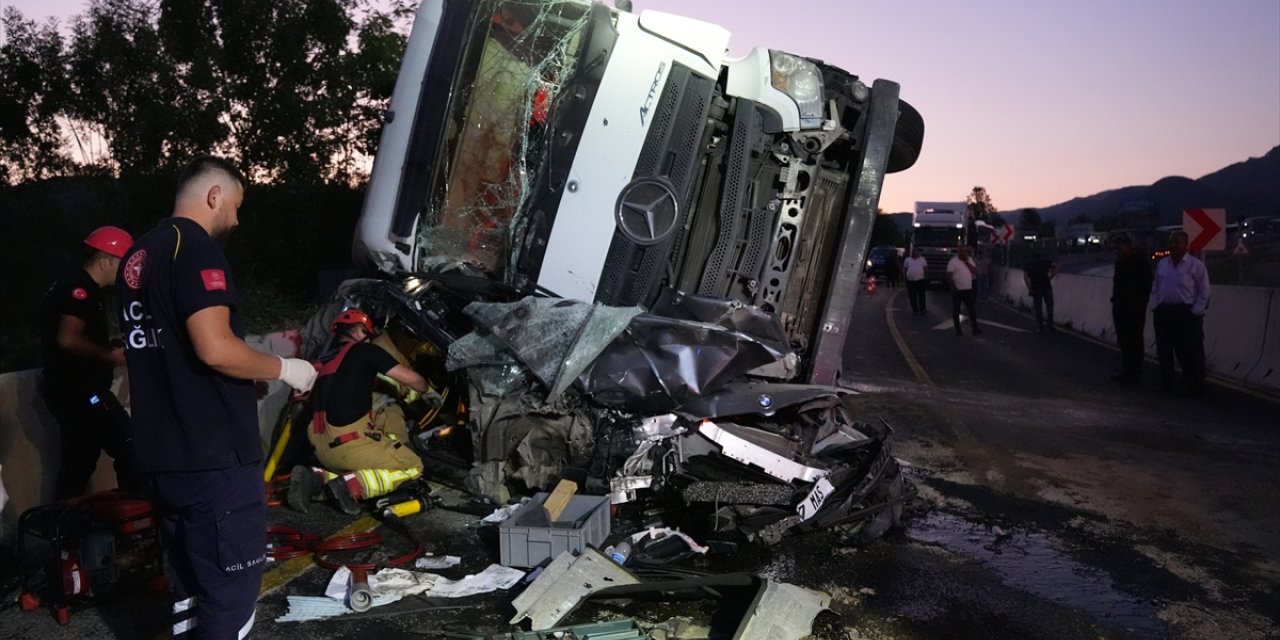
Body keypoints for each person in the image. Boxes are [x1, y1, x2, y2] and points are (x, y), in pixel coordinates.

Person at [117, 156, 318, 639]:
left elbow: (168, 347)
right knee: (230, 599)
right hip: (213, 459)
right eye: (236, 205)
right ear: (214, 196)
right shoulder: (197, 249)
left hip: (162, 457)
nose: (237, 218)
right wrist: (287, 368)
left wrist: (240, 378)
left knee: (188, 591)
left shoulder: (138, 257)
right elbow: (213, 346)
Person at [288, 309, 430, 515]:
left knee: (360, 465)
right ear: (359, 331)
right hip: (351, 445)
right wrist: (428, 389)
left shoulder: (321, 362)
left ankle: (316, 477)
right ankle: (353, 486)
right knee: (412, 467)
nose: (369, 339)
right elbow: (413, 380)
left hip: (321, 449)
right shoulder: (365, 351)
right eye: (368, 335)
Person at [39, 226, 140, 500]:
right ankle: (134, 515)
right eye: (122, 263)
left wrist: (109, 345)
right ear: (106, 259)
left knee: (78, 462)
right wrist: (112, 357)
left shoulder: (71, 284)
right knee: (129, 443)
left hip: (70, 389)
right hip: (82, 390)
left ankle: (64, 531)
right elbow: (68, 340)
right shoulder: (80, 289)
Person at [1148, 230, 1210, 395]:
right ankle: (1167, 383)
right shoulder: (1162, 264)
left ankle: (1195, 385)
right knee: (1164, 350)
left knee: (1190, 350)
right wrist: (1155, 306)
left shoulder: (1196, 266)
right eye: (1171, 242)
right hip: (1164, 312)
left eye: (1177, 242)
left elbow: (1204, 291)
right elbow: (1156, 286)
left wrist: (1195, 311)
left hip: (1186, 313)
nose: (1173, 245)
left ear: (1185, 245)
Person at [1110, 234, 1153, 384]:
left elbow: (1147, 285)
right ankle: (1127, 370)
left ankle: (1135, 373)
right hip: (1120, 306)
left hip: (1134, 308)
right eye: (1116, 248)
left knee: (1134, 341)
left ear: (1128, 246)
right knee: (1124, 340)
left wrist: (1140, 303)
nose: (1117, 251)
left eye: (1119, 247)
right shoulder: (1119, 263)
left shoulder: (1140, 263)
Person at [946, 244, 982, 336]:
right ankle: (958, 330)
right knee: (956, 310)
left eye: (965, 251)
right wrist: (953, 287)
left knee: (972, 309)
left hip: (968, 289)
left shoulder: (969, 260)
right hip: (957, 290)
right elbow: (949, 276)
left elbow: (975, 271)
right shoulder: (953, 262)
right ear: (958, 252)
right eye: (961, 251)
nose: (963, 253)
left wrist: (966, 262)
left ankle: (975, 328)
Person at [1022, 252, 1058, 332]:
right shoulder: (1046, 261)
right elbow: (1055, 266)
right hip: (1046, 286)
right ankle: (1050, 324)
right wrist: (1052, 275)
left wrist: (1029, 288)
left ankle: (1040, 326)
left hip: (1036, 287)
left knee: (1038, 307)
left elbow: (1025, 278)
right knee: (1050, 306)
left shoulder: (1029, 264)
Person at [903, 246, 928, 315]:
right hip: (910, 281)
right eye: (913, 252)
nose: (914, 253)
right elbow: (905, 269)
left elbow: (925, 269)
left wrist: (926, 278)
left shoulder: (922, 259)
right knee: (912, 296)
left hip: (920, 280)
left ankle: (922, 309)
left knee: (921, 295)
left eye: (916, 252)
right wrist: (905, 278)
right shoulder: (907, 260)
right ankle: (915, 309)